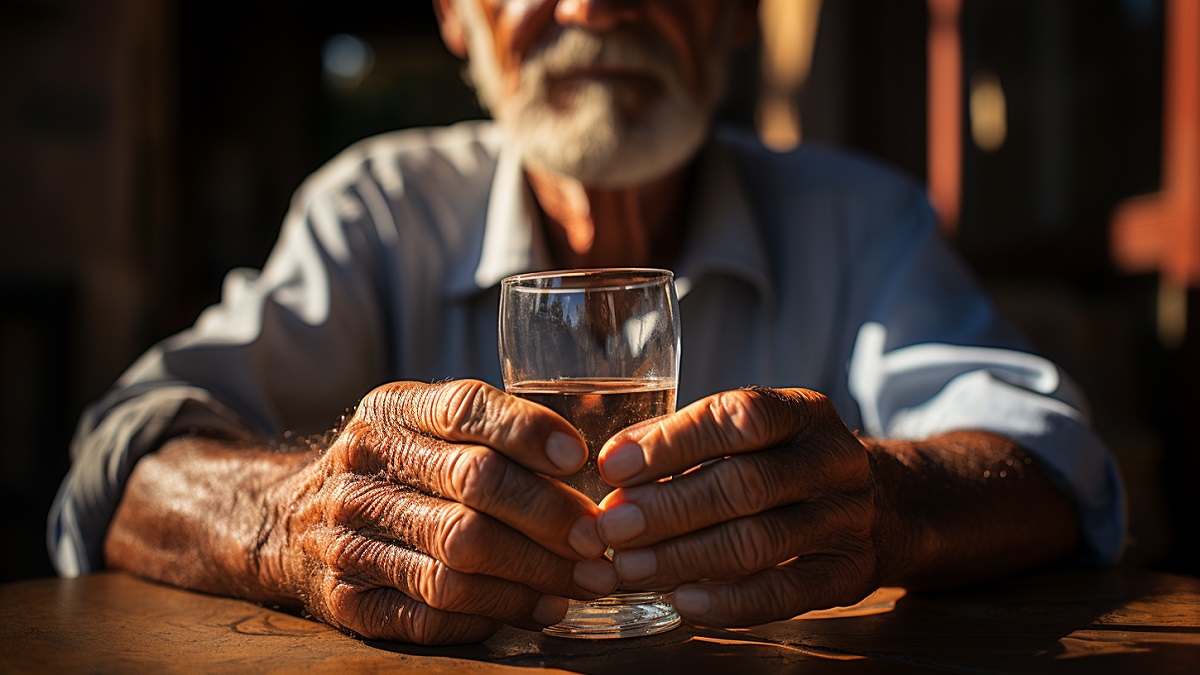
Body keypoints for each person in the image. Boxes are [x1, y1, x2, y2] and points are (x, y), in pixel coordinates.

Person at [49, 0, 1124, 646]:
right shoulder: (376, 210)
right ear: (457, 15)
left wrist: (880, 502)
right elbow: (121, 456)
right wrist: (292, 518)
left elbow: (1054, 464)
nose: (598, 4)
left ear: (739, 12)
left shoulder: (859, 216)